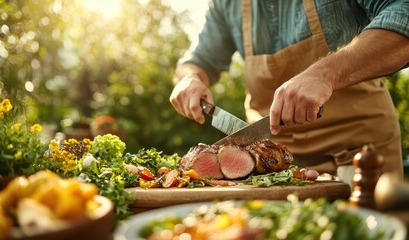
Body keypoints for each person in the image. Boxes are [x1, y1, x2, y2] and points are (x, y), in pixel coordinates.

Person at [169, 0, 409, 184]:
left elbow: (404, 12)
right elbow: (198, 60)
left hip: (360, 160)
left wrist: (325, 74)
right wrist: (189, 78)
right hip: (267, 169)